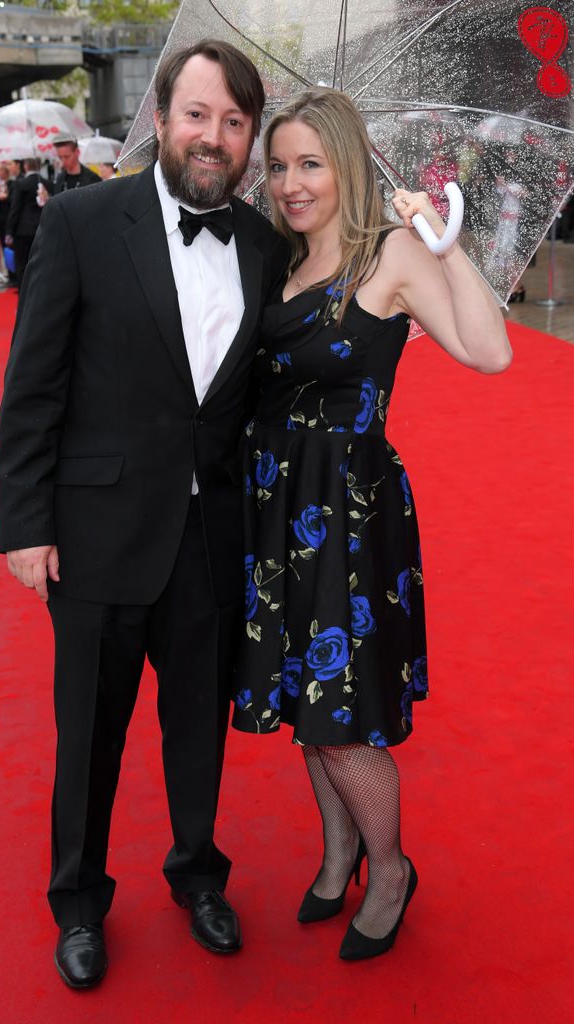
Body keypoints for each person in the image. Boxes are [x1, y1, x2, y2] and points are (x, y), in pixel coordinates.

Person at [0, 39, 287, 988]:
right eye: (198, 115)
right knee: (90, 735)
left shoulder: (265, 246)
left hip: (212, 541)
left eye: (234, 123)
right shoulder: (82, 222)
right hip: (96, 537)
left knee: (196, 725)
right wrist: (25, 523)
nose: (214, 137)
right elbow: (32, 386)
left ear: (249, 142)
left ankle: (198, 875)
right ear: (160, 119)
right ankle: (78, 901)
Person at [231, 88, 512, 961]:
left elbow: (490, 352)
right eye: (277, 166)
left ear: (347, 165)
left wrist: (447, 246)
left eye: (310, 163)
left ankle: (388, 869)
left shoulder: (386, 255)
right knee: (299, 697)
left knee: (341, 718)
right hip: (275, 502)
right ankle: (340, 849)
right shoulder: (276, 258)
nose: (290, 183)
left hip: (350, 509)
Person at [4, 157, 44, 290]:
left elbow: (15, 209)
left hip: (22, 230)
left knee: (22, 266)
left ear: (26, 166)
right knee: (40, 264)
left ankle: (24, 297)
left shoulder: (20, 184)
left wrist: (9, 231)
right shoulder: (46, 182)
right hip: (41, 229)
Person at [37, 136, 101, 206]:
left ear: (77, 152)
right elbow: (57, 205)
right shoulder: (60, 179)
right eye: (60, 157)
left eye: (67, 156)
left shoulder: (92, 179)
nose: (63, 161)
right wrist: (48, 201)